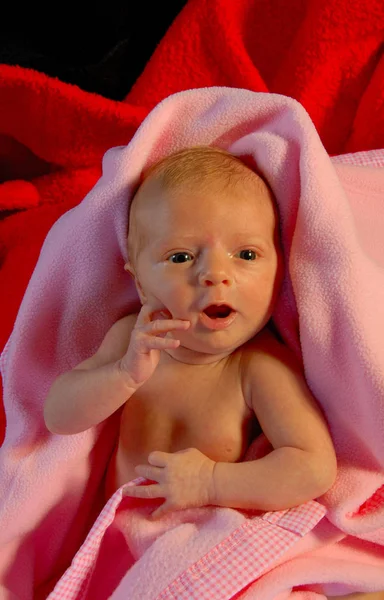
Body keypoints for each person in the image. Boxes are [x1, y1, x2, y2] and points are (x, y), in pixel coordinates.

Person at [44, 145, 337, 521]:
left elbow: (313, 468)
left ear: (281, 271)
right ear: (141, 284)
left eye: (246, 254)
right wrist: (121, 376)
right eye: (181, 257)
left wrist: (210, 482)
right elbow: (58, 417)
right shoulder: (130, 341)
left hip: (200, 536)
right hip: (111, 533)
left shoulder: (256, 367)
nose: (215, 274)